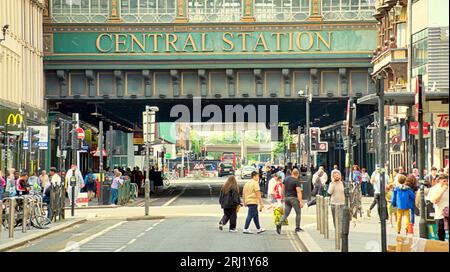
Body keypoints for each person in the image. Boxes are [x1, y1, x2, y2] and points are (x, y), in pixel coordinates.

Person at [276, 169, 304, 234]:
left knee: (286, 213)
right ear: (297, 174)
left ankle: (279, 223)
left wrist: (282, 197)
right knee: (298, 213)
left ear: (292, 173)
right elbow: (299, 192)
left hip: (286, 198)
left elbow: (282, 189)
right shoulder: (296, 181)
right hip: (293, 199)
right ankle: (297, 228)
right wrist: (300, 202)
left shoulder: (286, 179)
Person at [428, 173, 449, 241]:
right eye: (444, 181)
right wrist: (443, 190)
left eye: (447, 181)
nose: (446, 183)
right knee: (441, 235)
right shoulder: (434, 189)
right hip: (440, 215)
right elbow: (434, 200)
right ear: (439, 181)